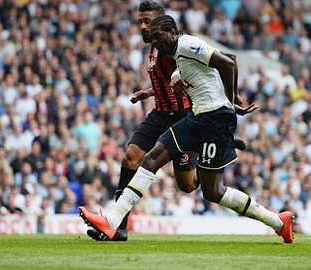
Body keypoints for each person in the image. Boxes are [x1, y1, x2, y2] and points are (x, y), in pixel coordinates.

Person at [79, 14, 294, 244]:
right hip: (197, 117)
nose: (155, 43)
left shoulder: (188, 44)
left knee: (213, 192)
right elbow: (224, 59)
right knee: (151, 159)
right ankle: (113, 222)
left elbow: (228, 62)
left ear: (172, 32)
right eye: (152, 39)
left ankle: (279, 223)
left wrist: (231, 100)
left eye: (158, 37)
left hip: (215, 120)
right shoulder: (175, 53)